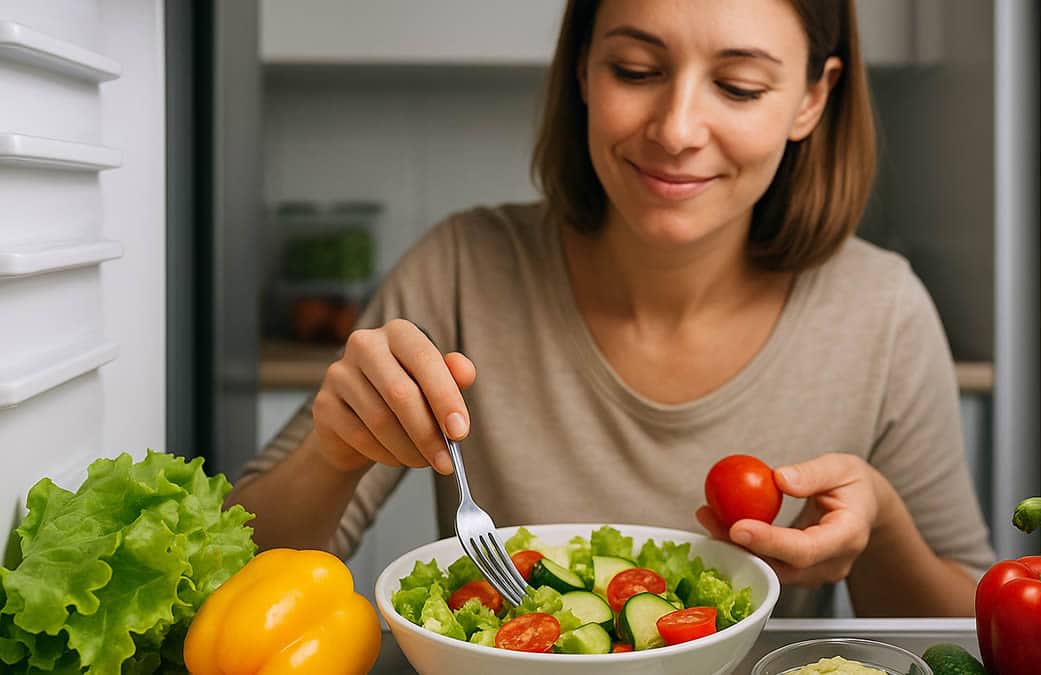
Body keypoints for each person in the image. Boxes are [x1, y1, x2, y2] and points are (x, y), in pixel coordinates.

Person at [229, 0, 993, 618]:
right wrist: (334, 452)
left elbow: (969, 627)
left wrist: (882, 525)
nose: (676, 130)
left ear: (811, 98)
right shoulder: (460, 267)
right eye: (636, 69)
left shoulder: (881, 309)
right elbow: (229, 573)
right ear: (584, 71)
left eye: (738, 87)